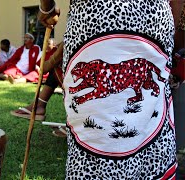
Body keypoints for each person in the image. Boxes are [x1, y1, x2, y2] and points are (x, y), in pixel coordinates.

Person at [39, 0, 180, 178]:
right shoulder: (93, 70)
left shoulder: (99, 71)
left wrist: (47, 7)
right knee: (149, 126)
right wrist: (168, 25)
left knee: (96, 140)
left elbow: (102, 89)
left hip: (96, 14)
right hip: (154, 20)